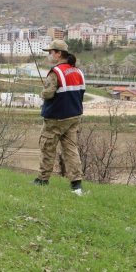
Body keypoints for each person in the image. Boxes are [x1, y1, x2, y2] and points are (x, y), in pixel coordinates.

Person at [33, 40, 85, 196]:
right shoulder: (78, 72)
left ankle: (42, 179)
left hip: (56, 118)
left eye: (51, 52)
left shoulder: (56, 72)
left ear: (58, 53)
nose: (49, 55)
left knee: (47, 147)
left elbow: (48, 93)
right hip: (74, 116)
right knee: (71, 150)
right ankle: (76, 184)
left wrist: (42, 93)